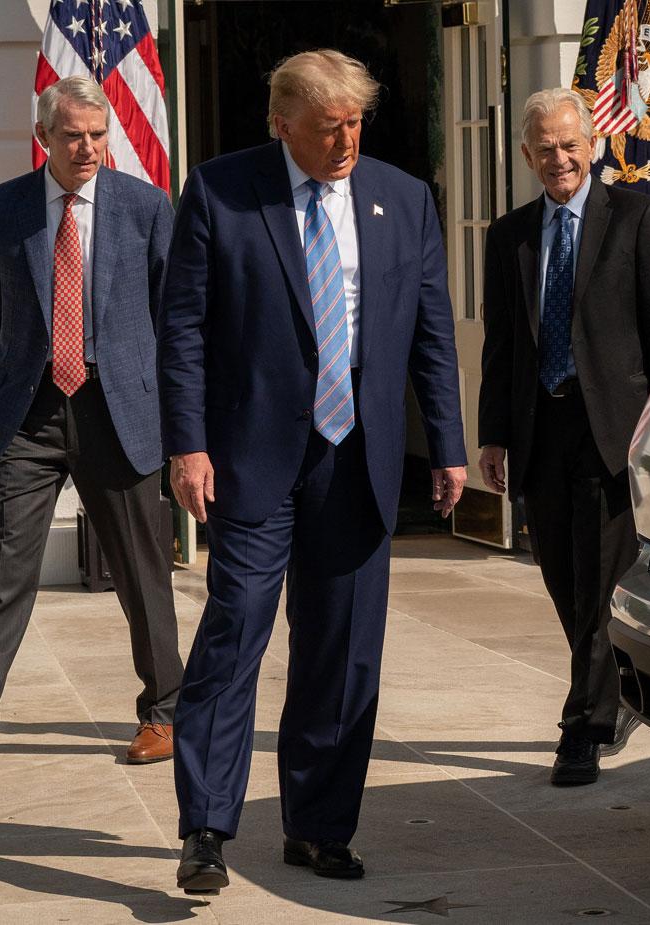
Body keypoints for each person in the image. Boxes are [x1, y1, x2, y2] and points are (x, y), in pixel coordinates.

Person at [159, 49, 467, 894]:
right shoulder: (221, 191)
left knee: (342, 654)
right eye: (329, 125)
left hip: (356, 461)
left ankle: (320, 826)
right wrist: (186, 446)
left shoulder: (403, 199)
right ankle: (206, 829)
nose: (346, 140)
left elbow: (430, 331)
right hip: (250, 461)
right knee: (234, 640)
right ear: (281, 122)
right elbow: (182, 329)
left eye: (356, 122)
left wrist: (446, 441)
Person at [0, 76, 184, 785]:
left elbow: (172, 313)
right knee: (5, 573)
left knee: (142, 573)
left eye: (98, 135)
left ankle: (163, 713)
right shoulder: (2, 208)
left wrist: (146, 386)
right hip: (31, 414)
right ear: (45, 137)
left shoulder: (145, 206)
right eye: (73, 135)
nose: (88, 148)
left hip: (120, 411)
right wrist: (32, 363)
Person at [478, 88, 650, 787]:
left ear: (593, 145)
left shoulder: (637, 218)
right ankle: (615, 688)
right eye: (545, 147)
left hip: (613, 435)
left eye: (570, 144)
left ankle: (584, 726)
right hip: (541, 430)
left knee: (600, 584)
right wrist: (494, 436)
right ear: (527, 154)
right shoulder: (509, 236)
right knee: (565, 582)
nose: (559, 158)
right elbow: (502, 345)